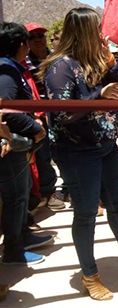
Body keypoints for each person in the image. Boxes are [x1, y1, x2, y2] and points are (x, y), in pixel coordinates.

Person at [40, 8, 118, 300]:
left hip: (104, 146)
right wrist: (98, 97)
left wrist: (112, 65)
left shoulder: (92, 60)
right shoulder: (60, 67)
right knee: (86, 212)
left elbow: (114, 86)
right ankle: (90, 275)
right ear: (81, 31)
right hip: (77, 151)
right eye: (95, 29)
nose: (100, 34)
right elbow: (63, 112)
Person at [0, 22, 52, 266]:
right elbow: (7, 110)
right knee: (15, 197)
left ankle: (23, 235)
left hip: (18, 145)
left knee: (21, 193)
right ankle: (13, 250)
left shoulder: (11, 68)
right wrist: (35, 128)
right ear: (22, 44)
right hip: (11, 148)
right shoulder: (6, 72)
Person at [24, 22, 64, 210]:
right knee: (44, 153)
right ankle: (48, 191)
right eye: (34, 37)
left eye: (41, 35)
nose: (39, 40)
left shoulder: (56, 58)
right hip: (40, 114)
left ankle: (68, 187)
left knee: (63, 150)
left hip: (59, 112)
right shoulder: (24, 63)